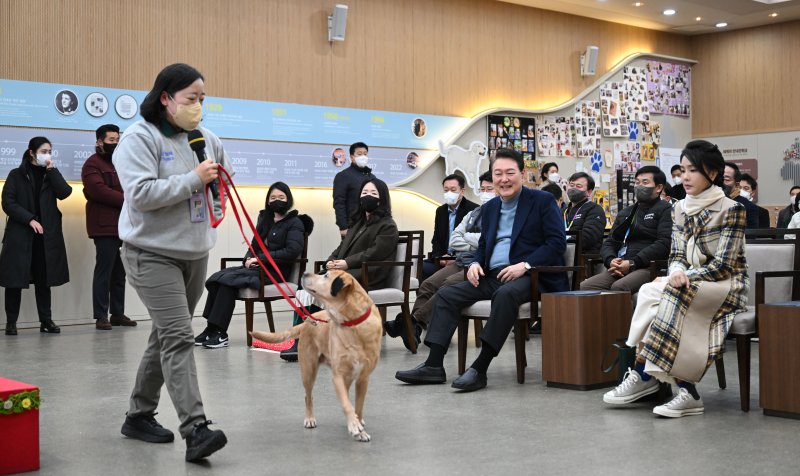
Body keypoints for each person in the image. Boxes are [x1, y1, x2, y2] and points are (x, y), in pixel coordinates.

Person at [113, 63, 227, 461]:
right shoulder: (137, 139)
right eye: (190, 98)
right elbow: (141, 194)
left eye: (202, 98)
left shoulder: (206, 138)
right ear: (165, 97)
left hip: (195, 253)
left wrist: (216, 190)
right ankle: (195, 428)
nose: (198, 106)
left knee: (165, 334)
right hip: (151, 253)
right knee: (179, 335)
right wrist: (195, 179)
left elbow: (220, 181)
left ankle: (138, 415)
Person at [395, 149, 568, 392]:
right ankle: (434, 365)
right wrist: (476, 263)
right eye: (498, 173)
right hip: (493, 274)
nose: (504, 179)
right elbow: (485, 244)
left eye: (510, 173)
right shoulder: (491, 208)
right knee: (447, 294)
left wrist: (525, 265)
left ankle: (480, 367)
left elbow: (557, 243)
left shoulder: (542, 201)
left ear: (522, 174)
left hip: (532, 276)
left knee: (505, 295)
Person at [603, 140, 748, 418]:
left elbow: (724, 266)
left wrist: (683, 277)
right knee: (647, 290)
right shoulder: (679, 208)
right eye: (682, 170)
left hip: (726, 285)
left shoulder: (732, 209)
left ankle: (659, 380)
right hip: (691, 280)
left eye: (693, 170)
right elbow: (677, 253)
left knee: (669, 295)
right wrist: (677, 272)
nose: (684, 177)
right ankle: (654, 379)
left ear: (713, 174)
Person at [280, 177, 399, 361]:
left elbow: (374, 253)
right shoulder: (357, 223)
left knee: (327, 286)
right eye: (365, 193)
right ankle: (302, 340)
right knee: (305, 286)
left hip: (369, 274)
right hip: (347, 272)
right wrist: (331, 261)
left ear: (382, 198)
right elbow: (340, 249)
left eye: (373, 194)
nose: (368, 196)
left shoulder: (388, 225)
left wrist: (346, 263)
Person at [385, 172, 496, 351]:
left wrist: (468, 239)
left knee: (447, 284)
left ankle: (410, 323)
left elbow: (491, 241)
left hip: (476, 264)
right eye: (482, 189)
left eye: (489, 189)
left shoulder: (488, 211)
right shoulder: (475, 213)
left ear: (462, 191)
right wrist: (446, 254)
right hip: (459, 260)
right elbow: (452, 240)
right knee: (428, 283)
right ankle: (414, 328)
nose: (485, 193)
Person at [197, 182, 313, 349]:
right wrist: (248, 258)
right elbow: (254, 246)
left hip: (276, 271)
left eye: (281, 197)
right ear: (267, 200)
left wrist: (262, 259)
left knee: (229, 283)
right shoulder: (265, 219)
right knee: (218, 279)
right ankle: (211, 328)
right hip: (257, 268)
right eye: (273, 198)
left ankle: (220, 333)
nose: (277, 201)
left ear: (288, 199)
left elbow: (292, 250)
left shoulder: (295, 222)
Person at [1, 137, 72, 336]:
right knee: (15, 280)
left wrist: (53, 170)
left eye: (50, 151)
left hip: (45, 236)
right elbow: (8, 202)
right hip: (21, 234)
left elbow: (65, 193)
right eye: (43, 151)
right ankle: (11, 322)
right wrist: (29, 219)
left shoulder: (50, 175)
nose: (47, 155)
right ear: (31, 152)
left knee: (44, 279)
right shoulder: (16, 175)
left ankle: (46, 320)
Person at [580, 165, 672, 295]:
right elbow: (610, 242)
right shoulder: (626, 212)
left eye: (645, 182)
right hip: (620, 266)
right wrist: (610, 260)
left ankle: (622, 316)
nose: (639, 186)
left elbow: (664, 243)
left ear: (658, 188)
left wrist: (633, 262)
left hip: (647, 266)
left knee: (619, 287)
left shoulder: (665, 210)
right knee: (585, 287)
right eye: (637, 182)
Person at [81, 124, 136, 331]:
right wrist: (130, 200)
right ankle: (101, 316)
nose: (116, 144)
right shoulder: (92, 164)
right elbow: (98, 192)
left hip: (125, 225)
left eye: (117, 140)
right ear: (99, 141)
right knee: (104, 271)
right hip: (104, 227)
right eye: (111, 140)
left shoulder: (122, 162)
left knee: (120, 273)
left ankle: (118, 314)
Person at [422, 174, 479, 279]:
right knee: (422, 267)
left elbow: (471, 241)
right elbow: (436, 240)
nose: (449, 193)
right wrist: (440, 257)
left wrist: (455, 257)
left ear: (462, 191)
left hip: (461, 258)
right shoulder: (441, 211)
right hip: (442, 258)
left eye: (453, 190)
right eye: (446, 190)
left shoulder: (473, 209)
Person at [332, 142, 375, 238]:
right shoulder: (343, 176)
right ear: (351, 157)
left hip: (371, 226)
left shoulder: (372, 177)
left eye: (365, 154)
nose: (363, 156)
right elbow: (339, 203)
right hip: (352, 226)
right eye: (359, 154)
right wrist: (343, 227)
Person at [563, 172, 606, 254]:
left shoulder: (595, 210)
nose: (573, 189)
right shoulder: (563, 211)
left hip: (583, 258)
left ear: (589, 192)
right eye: (571, 185)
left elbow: (587, 238)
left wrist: (560, 241)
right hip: (560, 254)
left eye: (578, 186)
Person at [723, 162, 759, 229]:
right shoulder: (708, 203)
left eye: (726, 179)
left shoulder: (748, 207)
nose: (721, 182)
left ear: (737, 185)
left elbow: (750, 236)